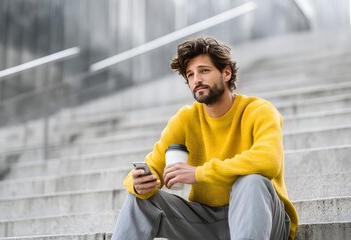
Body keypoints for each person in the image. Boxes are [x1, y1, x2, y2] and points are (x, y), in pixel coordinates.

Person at [111, 36, 299, 240]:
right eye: (190, 75)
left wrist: (199, 173)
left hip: (264, 219)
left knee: (252, 180)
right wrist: (138, 183)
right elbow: (152, 165)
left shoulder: (259, 110)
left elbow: (268, 161)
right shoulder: (185, 119)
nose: (196, 80)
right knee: (139, 199)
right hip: (208, 222)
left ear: (226, 73)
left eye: (204, 71)